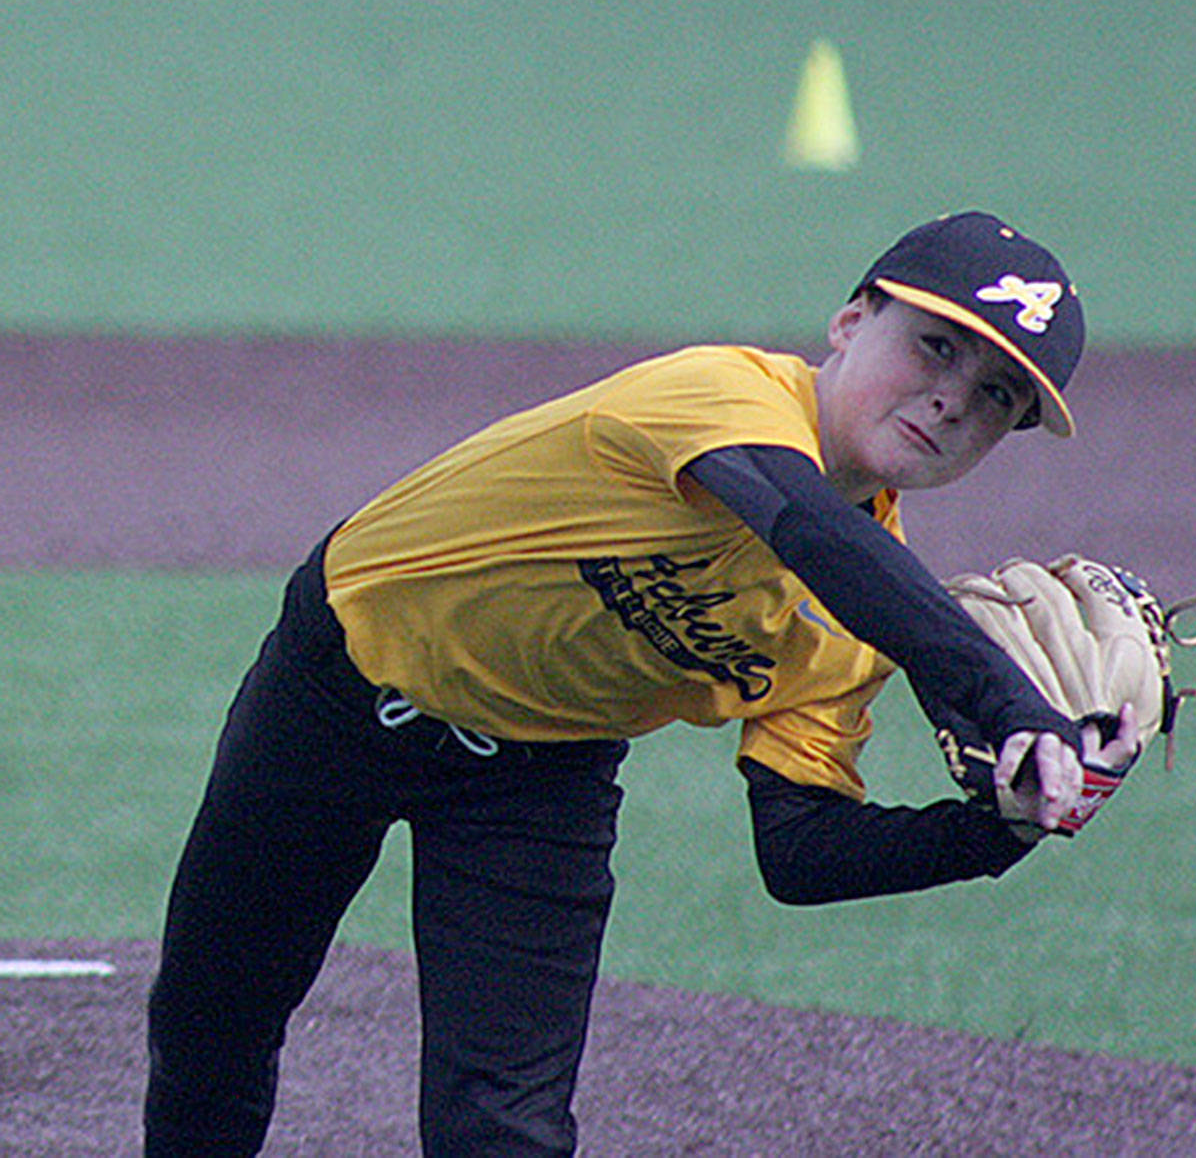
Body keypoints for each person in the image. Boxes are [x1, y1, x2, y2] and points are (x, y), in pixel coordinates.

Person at [144, 209, 1132, 1158]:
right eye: (935, 347)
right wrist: (1003, 702)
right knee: (215, 1021)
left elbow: (801, 853)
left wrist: (998, 828)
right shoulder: (723, 394)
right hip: (335, 694)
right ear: (847, 323)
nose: (955, 398)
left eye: (999, 396)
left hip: (536, 781)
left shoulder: (857, 625)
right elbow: (802, 529)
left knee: (505, 1131)